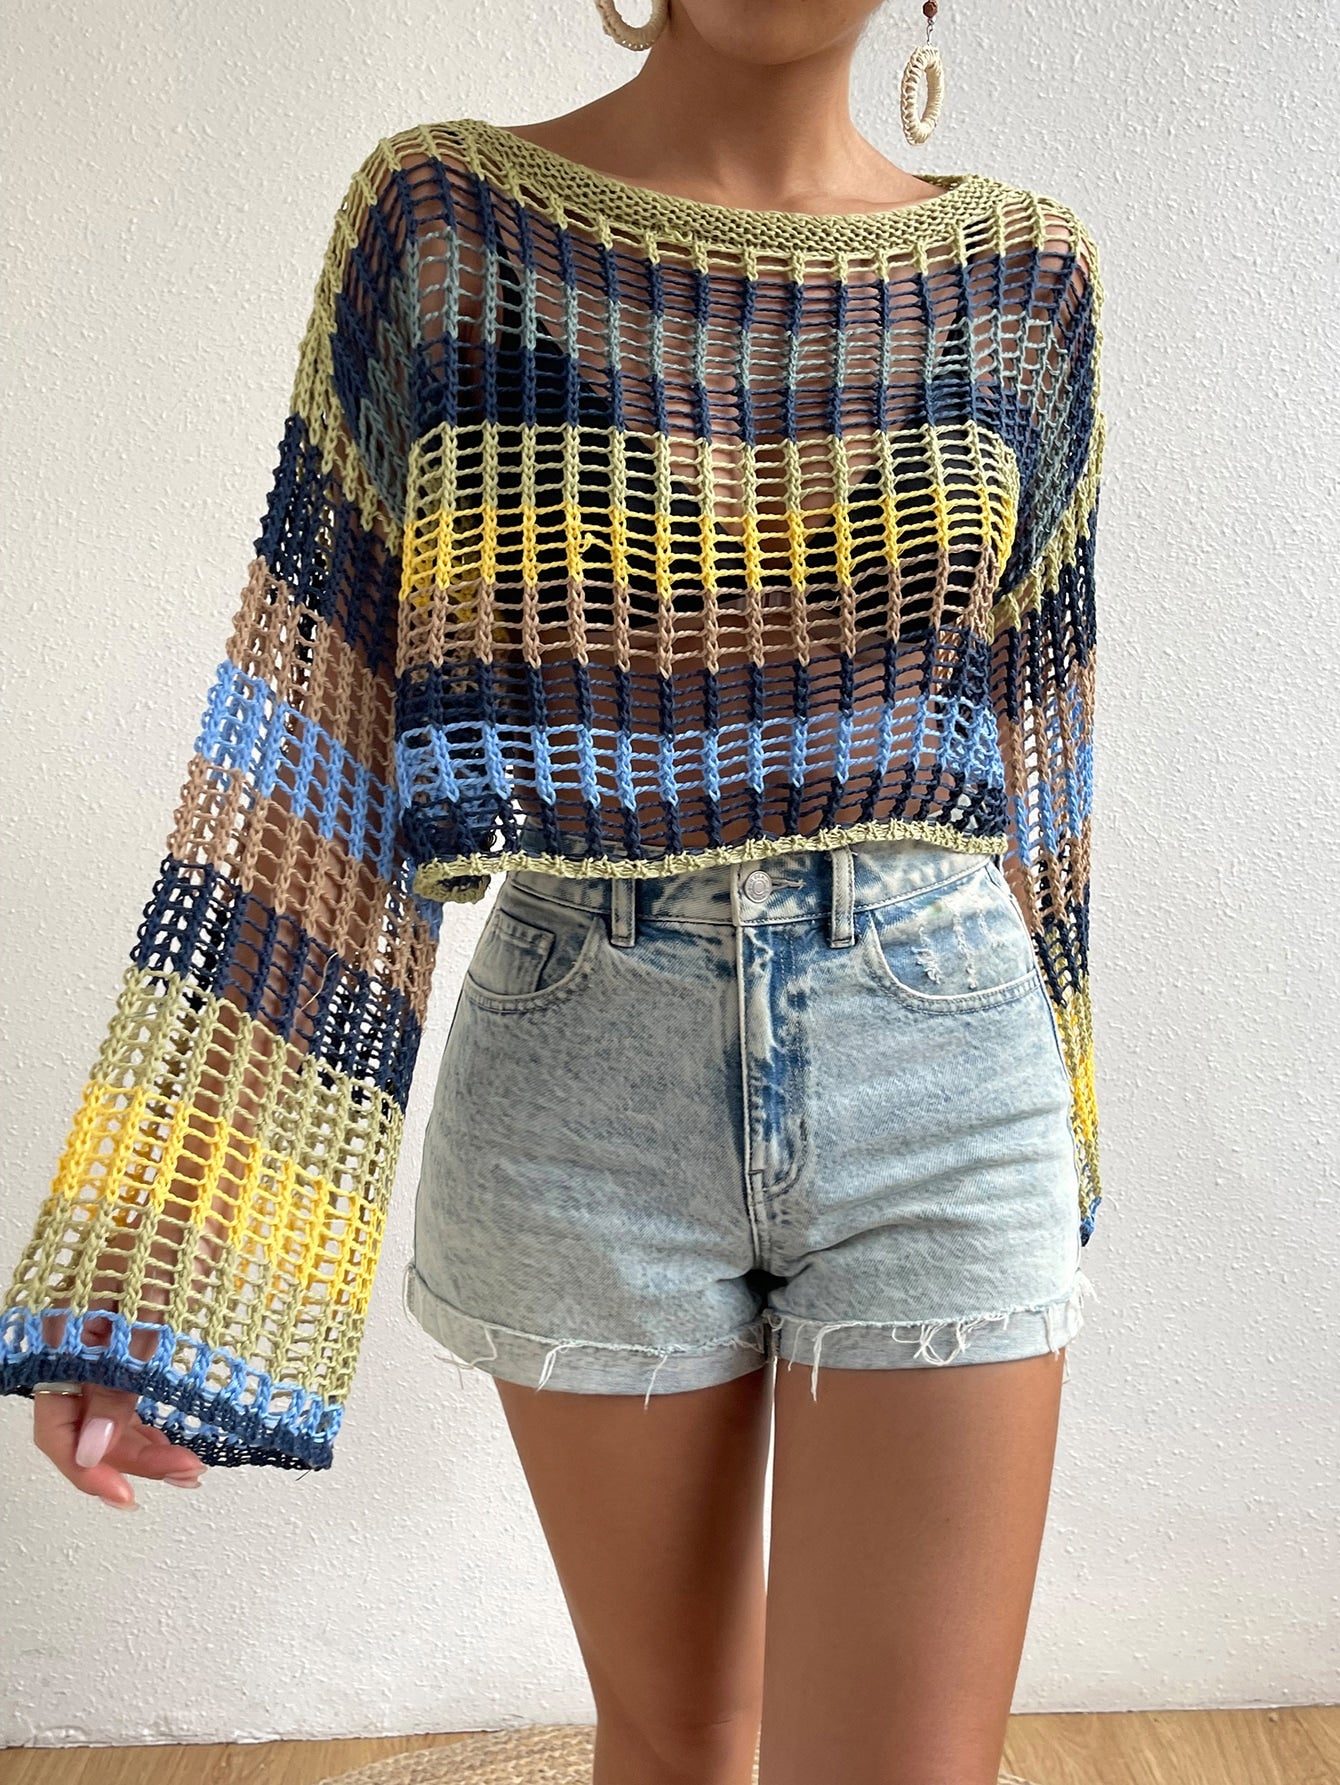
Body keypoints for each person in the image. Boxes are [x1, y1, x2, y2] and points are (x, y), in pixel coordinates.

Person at [4, 1, 1109, 1779]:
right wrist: (162, 1262)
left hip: (945, 1066)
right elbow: (324, 729)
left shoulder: (1026, 278)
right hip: (581, 1077)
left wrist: (1070, 1110)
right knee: (676, 1741)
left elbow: (1042, 743)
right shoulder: (447, 225)